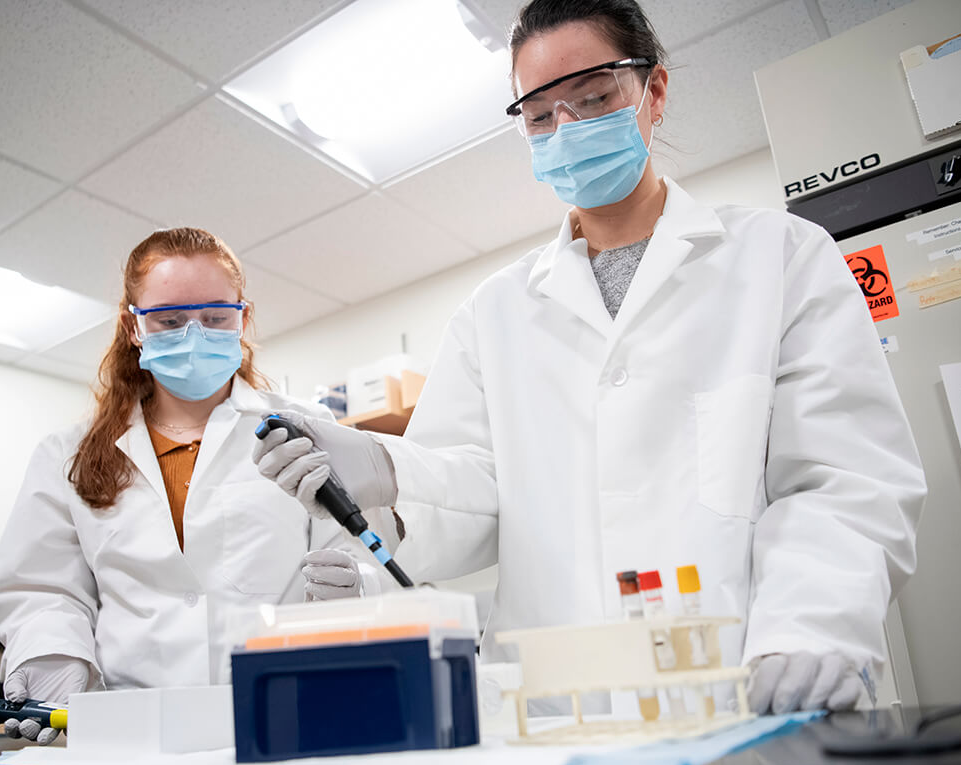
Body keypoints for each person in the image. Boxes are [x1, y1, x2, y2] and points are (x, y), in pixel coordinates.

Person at [253, 0, 926, 717]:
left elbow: (844, 477)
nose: (566, 129)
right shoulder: (493, 313)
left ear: (653, 91)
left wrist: (810, 628)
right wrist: (385, 473)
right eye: (540, 115)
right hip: (556, 710)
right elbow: (466, 511)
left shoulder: (781, 257)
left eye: (594, 97)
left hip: (743, 692)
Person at [0, 227, 370, 744]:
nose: (195, 336)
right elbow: (40, 588)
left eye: (215, 318)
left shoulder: (311, 428)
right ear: (132, 326)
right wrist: (53, 655)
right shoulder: (67, 456)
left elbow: (362, 550)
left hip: (286, 719)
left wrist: (362, 587)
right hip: (132, 731)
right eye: (168, 321)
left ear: (243, 318)